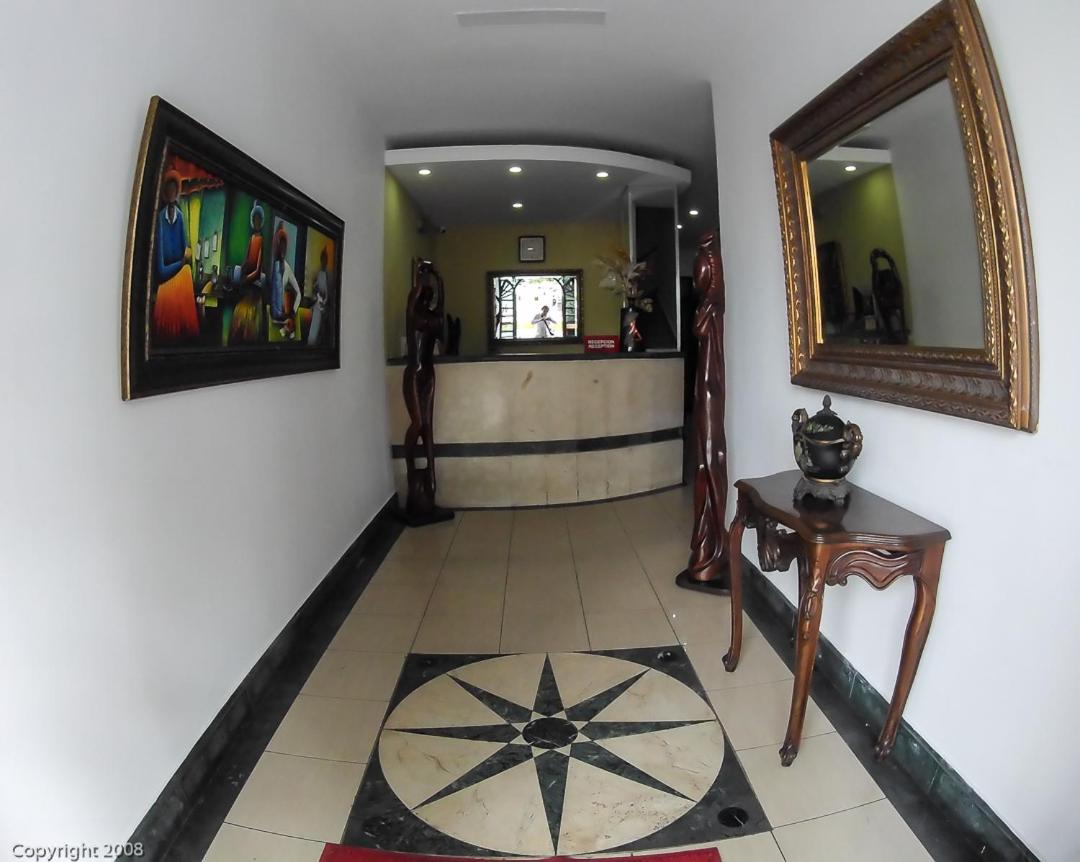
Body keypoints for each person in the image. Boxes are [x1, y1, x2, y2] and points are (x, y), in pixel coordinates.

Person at [152, 170, 200, 343]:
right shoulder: (159, 219)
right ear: (165, 192)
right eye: (169, 189)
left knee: (187, 273)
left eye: (175, 189)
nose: (172, 192)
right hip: (166, 283)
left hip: (180, 277)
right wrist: (181, 262)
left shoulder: (179, 217)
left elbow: (185, 250)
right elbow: (161, 271)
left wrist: (185, 259)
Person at [229, 202, 266, 344]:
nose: (256, 222)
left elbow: (258, 270)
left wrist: (246, 279)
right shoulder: (252, 239)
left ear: (261, 221)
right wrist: (241, 273)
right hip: (246, 285)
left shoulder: (261, 240)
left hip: (255, 286)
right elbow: (246, 260)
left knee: (249, 317)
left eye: (259, 219)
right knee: (238, 312)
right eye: (254, 219)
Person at [270, 226, 302, 339]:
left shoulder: (287, 268)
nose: (282, 248)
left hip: (283, 319)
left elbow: (298, 293)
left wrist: (293, 311)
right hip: (271, 317)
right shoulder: (271, 266)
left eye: (284, 245)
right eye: (280, 244)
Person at [307, 246, 331, 345]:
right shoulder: (316, 274)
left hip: (326, 308)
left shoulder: (329, 275)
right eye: (323, 258)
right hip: (317, 306)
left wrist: (325, 302)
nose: (324, 261)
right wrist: (317, 298)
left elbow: (328, 293)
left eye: (326, 259)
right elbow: (313, 291)